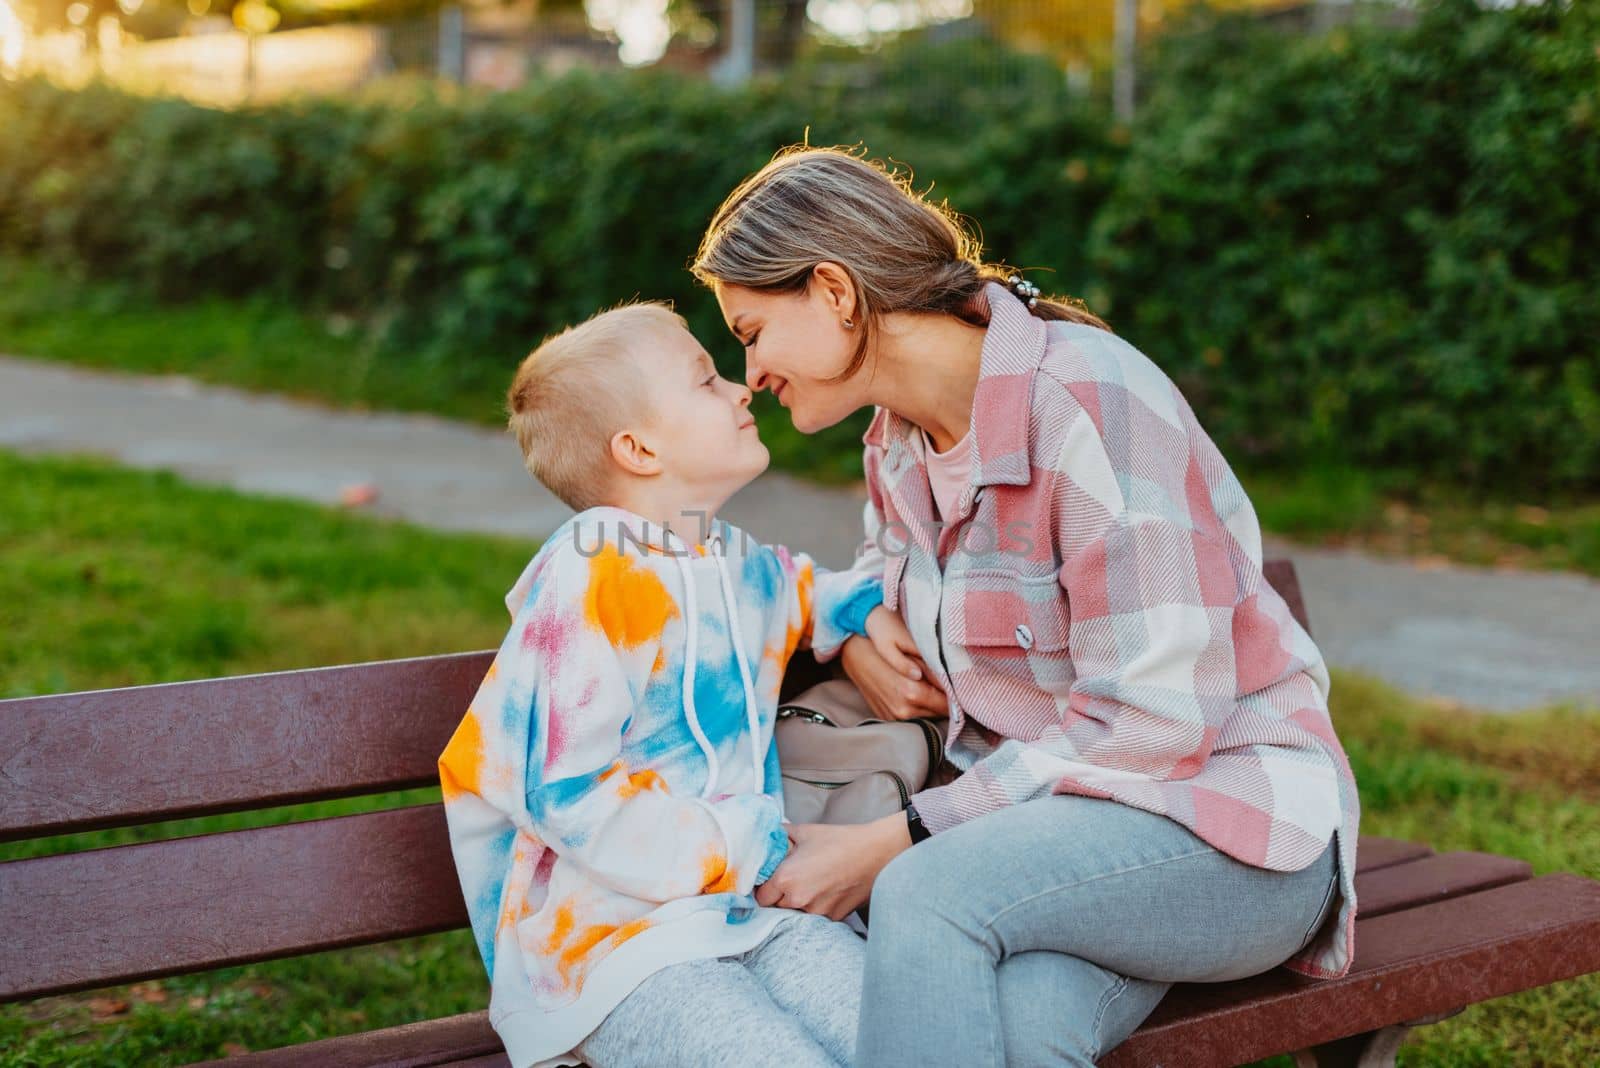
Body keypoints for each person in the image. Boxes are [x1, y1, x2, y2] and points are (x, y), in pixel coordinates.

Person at [692, 147, 1361, 1067]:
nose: (751, 369)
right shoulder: (900, 442)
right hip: (1051, 851)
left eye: (752, 329)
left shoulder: (1090, 402)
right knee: (1023, 1028)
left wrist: (906, 833)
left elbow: (1157, 724)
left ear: (835, 292)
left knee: (924, 893)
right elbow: (894, 569)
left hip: (1227, 831)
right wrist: (853, 633)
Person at [437, 301, 914, 1068]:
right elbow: (565, 792)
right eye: (707, 380)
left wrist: (856, 613)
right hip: (615, 950)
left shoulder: (725, 558)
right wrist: (739, 842)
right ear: (638, 448)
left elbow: (799, 589)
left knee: (916, 1038)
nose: (741, 389)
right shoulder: (592, 579)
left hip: (749, 912)